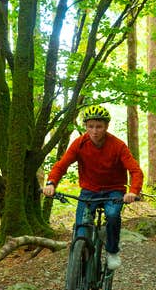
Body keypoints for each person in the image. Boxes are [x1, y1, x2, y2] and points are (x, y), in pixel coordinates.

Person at [43, 105, 143, 270]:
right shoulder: (80, 144)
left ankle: (112, 251)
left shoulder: (118, 146)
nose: (95, 131)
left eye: (99, 126)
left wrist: (133, 192)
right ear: (86, 127)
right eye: (91, 126)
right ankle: (75, 283)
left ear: (106, 127)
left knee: (112, 215)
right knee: (80, 232)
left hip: (114, 190)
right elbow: (61, 165)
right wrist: (51, 183)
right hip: (89, 191)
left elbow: (135, 171)